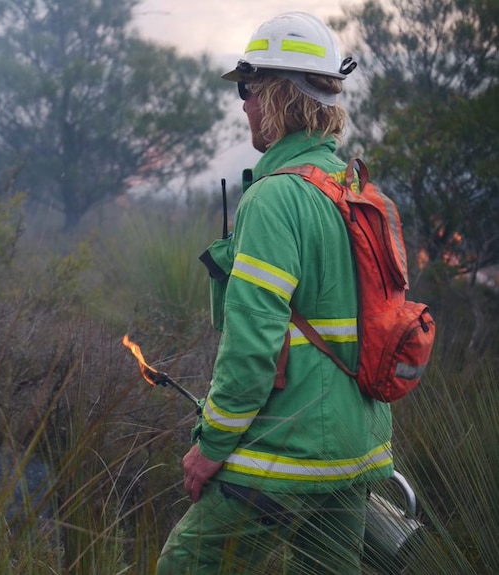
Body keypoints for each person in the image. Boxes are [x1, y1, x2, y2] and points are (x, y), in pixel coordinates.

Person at [156, 12, 394, 575]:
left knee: (182, 566)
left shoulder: (273, 199)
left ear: (282, 96)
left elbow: (252, 346)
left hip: (286, 455)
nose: (242, 103)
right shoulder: (355, 191)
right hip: (355, 454)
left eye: (249, 88)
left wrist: (211, 446)